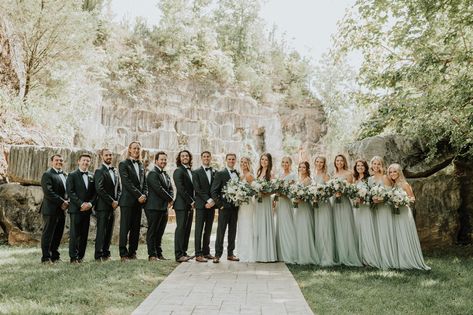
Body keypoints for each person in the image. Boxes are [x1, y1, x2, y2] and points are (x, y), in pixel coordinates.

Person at [388, 164, 430, 270]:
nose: (392, 174)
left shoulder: (404, 184)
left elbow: (412, 199)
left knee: (404, 234)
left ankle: (408, 260)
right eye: (390, 172)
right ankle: (399, 260)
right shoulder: (392, 185)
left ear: (399, 172)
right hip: (395, 213)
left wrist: (402, 201)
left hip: (404, 213)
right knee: (397, 236)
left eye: (394, 171)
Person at [118, 141, 148, 261]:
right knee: (125, 228)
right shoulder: (123, 164)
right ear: (129, 150)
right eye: (134, 148)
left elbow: (144, 183)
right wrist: (138, 195)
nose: (136, 151)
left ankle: (133, 252)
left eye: (138, 149)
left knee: (136, 228)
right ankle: (123, 254)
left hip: (139, 202)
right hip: (127, 201)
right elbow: (126, 183)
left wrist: (144, 195)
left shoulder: (141, 165)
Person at [332, 154, 362, 267]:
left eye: (341, 161)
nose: (339, 162)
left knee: (346, 227)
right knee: (337, 227)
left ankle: (349, 255)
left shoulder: (349, 174)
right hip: (335, 203)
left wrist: (342, 192)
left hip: (344, 202)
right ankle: (339, 255)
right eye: (337, 160)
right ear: (335, 162)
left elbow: (350, 190)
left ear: (344, 162)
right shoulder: (334, 175)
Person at [66, 153, 97, 263]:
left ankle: (81, 256)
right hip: (76, 209)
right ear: (78, 161)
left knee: (84, 234)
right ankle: (73, 257)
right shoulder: (72, 175)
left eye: (88, 161)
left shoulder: (92, 176)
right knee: (75, 234)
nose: (85, 162)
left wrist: (90, 204)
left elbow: (95, 193)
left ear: (90, 163)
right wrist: (80, 204)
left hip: (87, 209)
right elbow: (70, 192)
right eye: (83, 160)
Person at [211, 153, 240, 263]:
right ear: (226, 160)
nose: (231, 161)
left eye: (233, 159)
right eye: (229, 159)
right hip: (224, 208)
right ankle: (217, 255)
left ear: (235, 160)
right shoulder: (220, 173)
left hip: (235, 207)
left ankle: (230, 254)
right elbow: (214, 191)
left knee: (232, 231)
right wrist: (220, 205)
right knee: (221, 231)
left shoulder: (237, 173)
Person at [144, 151, 173, 261]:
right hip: (153, 207)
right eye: (161, 159)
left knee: (160, 232)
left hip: (163, 207)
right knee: (153, 231)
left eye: (165, 159)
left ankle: (159, 254)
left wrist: (171, 198)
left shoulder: (165, 174)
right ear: (156, 161)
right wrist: (170, 199)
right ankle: (152, 255)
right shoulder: (152, 173)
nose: (163, 161)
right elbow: (159, 189)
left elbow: (170, 188)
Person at [39, 154, 68, 264]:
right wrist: (62, 202)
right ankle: (46, 258)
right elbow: (48, 192)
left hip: (62, 210)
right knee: (48, 234)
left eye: (61, 160)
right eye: (56, 160)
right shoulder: (47, 174)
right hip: (50, 209)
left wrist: (68, 201)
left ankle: (55, 256)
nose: (59, 162)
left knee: (58, 234)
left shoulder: (65, 175)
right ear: (52, 162)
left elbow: (67, 191)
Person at [369, 156, 397, 269]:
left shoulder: (385, 178)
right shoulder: (370, 179)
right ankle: (378, 259)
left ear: (382, 165)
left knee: (385, 232)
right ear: (371, 165)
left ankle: (388, 259)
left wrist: (382, 199)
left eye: (378, 164)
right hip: (374, 209)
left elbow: (390, 195)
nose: (376, 166)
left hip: (384, 209)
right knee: (376, 233)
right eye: (374, 164)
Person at [353, 159, 381, 268]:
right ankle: (360, 258)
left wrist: (363, 198)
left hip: (365, 208)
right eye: (358, 165)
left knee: (366, 232)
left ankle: (369, 259)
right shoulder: (355, 179)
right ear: (355, 167)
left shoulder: (368, 180)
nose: (360, 167)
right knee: (358, 232)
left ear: (365, 167)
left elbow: (371, 194)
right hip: (356, 209)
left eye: (362, 165)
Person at [94, 149, 121, 262]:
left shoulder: (115, 171)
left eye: (110, 155)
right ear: (102, 156)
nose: (109, 157)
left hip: (113, 206)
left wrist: (117, 201)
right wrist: (111, 201)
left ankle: (106, 253)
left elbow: (119, 188)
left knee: (109, 231)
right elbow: (99, 189)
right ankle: (98, 255)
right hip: (103, 206)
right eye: (106, 155)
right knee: (101, 231)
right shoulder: (99, 171)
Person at [193, 151, 216, 262]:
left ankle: (206, 252)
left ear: (210, 158)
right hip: (201, 205)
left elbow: (216, 188)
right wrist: (208, 200)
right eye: (204, 157)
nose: (206, 158)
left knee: (208, 229)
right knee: (199, 229)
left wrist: (213, 202)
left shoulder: (214, 172)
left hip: (211, 206)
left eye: (208, 156)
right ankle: (198, 254)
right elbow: (198, 189)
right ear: (201, 158)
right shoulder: (196, 172)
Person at [294, 161, 319, 265]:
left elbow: (309, 195)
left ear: (307, 169)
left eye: (304, 167)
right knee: (299, 229)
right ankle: (299, 253)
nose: (301, 169)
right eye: (300, 167)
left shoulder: (308, 180)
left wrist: (300, 199)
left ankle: (307, 256)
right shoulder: (298, 179)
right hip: (298, 208)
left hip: (305, 207)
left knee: (305, 228)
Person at [254, 153, 277, 262]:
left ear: (269, 162)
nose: (263, 161)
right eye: (262, 159)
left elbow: (274, 189)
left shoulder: (271, 173)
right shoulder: (258, 172)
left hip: (266, 201)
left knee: (265, 223)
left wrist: (265, 193)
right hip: (258, 202)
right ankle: (259, 252)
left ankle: (267, 254)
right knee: (259, 224)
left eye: (266, 160)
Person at [173, 150, 195, 262]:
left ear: (189, 158)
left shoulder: (190, 171)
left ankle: (184, 253)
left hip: (190, 205)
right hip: (181, 205)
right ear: (180, 158)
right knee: (181, 229)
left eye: (187, 156)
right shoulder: (178, 171)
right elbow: (181, 189)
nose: (185, 157)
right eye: (182, 156)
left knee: (187, 229)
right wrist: (191, 201)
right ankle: (178, 255)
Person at [313, 156, 336, 267]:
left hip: (324, 205)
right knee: (317, 230)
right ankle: (318, 255)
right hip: (315, 206)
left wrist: (321, 196)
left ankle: (327, 257)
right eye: (317, 161)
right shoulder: (313, 176)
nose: (319, 164)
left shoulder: (326, 176)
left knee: (324, 229)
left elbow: (330, 192)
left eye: (321, 162)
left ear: (324, 164)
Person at [274, 156, 297, 264]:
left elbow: (292, 193)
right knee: (280, 226)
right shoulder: (280, 175)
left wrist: (282, 194)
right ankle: (281, 254)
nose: (284, 164)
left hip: (287, 203)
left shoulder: (293, 176)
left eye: (287, 162)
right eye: (283, 162)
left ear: (290, 163)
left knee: (288, 225)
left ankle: (290, 253)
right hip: (279, 204)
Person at [236, 156, 257, 262]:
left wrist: (244, 195)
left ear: (249, 164)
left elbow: (255, 191)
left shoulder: (249, 176)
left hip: (248, 204)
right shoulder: (240, 175)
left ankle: (249, 252)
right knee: (242, 226)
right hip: (241, 205)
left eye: (245, 162)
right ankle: (241, 251)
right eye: (242, 162)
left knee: (248, 225)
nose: (243, 164)